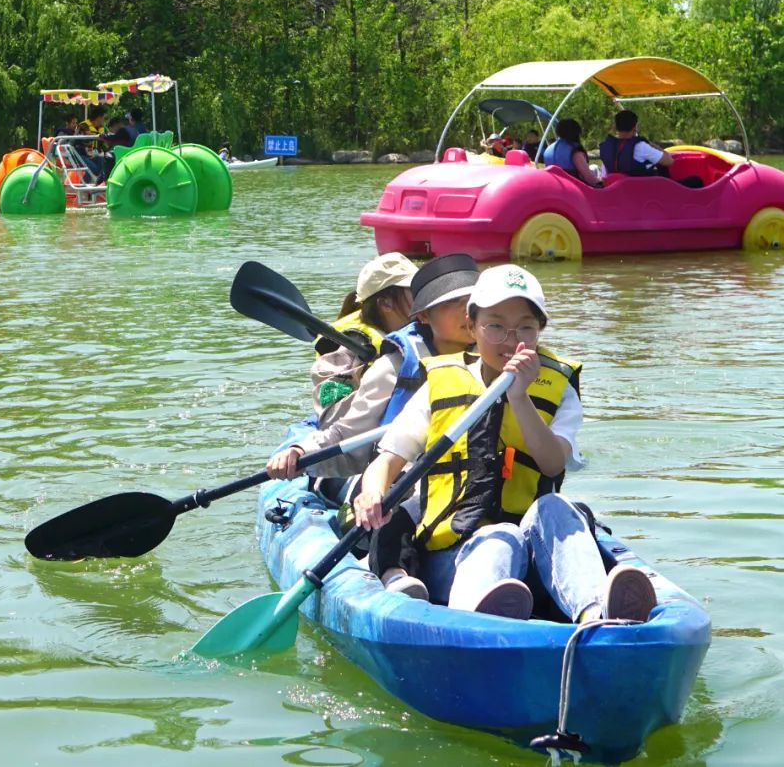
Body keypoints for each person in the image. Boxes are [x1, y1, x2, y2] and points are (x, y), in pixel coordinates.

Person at [352, 264, 657, 623]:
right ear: (471, 326)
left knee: (556, 508)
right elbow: (388, 460)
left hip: (534, 559)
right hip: (453, 555)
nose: (512, 341)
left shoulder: (558, 387)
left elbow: (552, 463)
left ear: (540, 329)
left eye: (525, 327)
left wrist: (520, 399)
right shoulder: (440, 382)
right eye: (495, 326)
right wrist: (372, 493)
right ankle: (478, 624)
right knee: (501, 535)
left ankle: (595, 613)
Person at [267, 254, 481, 490]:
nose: (468, 311)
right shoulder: (366, 359)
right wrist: (302, 450)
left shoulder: (494, 351)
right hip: (395, 470)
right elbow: (338, 425)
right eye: (415, 291)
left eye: (473, 301)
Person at [310, 253, 417, 411]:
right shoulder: (349, 348)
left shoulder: (419, 331)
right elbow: (331, 409)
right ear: (386, 304)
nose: (426, 298)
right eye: (416, 292)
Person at [598, 110, 699, 187]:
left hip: (623, 192)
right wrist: (654, 146)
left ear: (616, 127)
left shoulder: (608, 149)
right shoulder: (640, 146)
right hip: (649, 192)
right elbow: (669, 161)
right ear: (635, 127)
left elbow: (604, 176)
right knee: (696, 180)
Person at [542, 119, 601, 188]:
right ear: (576, 133)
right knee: (595, 167)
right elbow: (589, 177)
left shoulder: (548, 149)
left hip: (555, 186)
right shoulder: (575, 152)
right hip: (575, 188)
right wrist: (600, 184)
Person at [76, 107, 107, 181]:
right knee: (93, 168)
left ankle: (98, 187)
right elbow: (82, 142)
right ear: (99, 117)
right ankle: (83, 187)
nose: (104, 120)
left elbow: (104, 144)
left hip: (95, 155)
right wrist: (91, 136)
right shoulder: (83, 126)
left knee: (105, 163)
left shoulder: (101, 128)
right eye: (103, 118)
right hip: (81, 154)